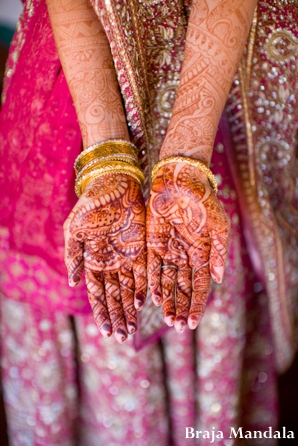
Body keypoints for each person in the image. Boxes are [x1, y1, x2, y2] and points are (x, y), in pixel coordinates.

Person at [0, 0, 297, 445]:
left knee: (190, 267)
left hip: (214, 82)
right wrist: (106, 159)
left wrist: (185, 162)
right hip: (79, 83)